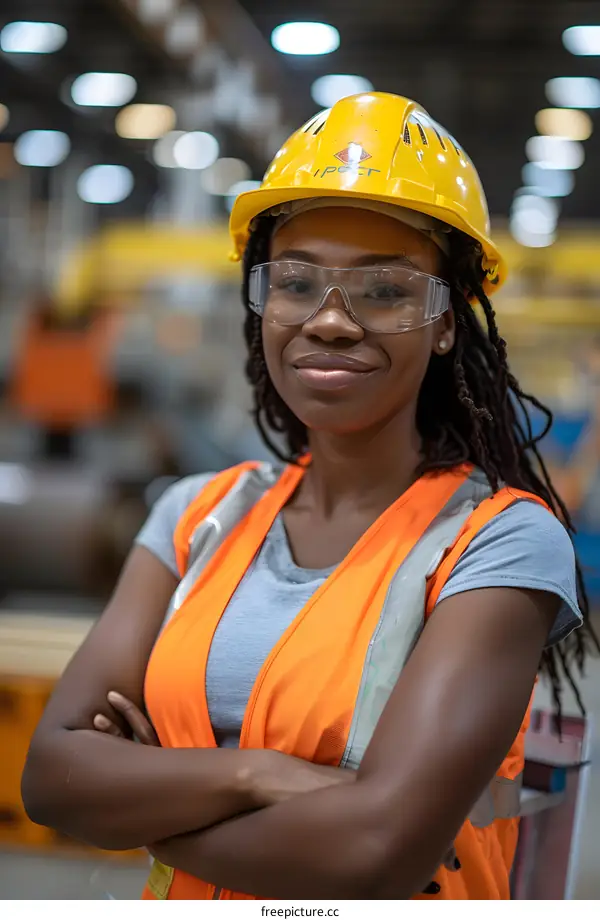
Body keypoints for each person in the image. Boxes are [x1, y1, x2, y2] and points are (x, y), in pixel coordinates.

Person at [22, 92, 597, 900]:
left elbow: (376, 851)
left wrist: (142, 793)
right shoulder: (196, 515)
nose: (329, 322)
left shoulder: (497, 542)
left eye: (386, 290)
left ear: (446, 323)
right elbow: (52, 779)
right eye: (296, 283)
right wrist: (260, 775)